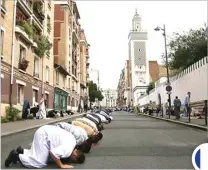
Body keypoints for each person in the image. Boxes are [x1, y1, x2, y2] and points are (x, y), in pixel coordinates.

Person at [5, 125, 85, 169]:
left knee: (41, 155)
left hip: (46, 131)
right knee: (40, 163)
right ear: (75, 156)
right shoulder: (68, 150)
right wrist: (61, 165)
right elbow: (54, 153)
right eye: (73, 161)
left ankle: (22, 151)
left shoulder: (73, 142)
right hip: (44, 135)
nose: (70, 162)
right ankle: (15, 156)